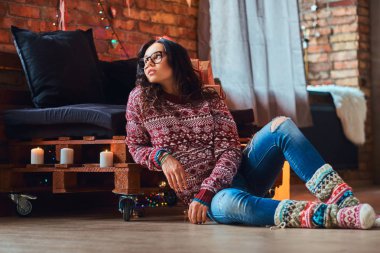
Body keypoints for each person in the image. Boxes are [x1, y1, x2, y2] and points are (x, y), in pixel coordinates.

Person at [126, 37, 378, 229]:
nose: (148, 63)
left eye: (156, 56)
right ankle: (332, 216)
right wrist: (162, 156)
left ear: (175, 58)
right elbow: (136, 146)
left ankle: (346, 204)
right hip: (215, 199)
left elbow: (229, 150)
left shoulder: (208, 98)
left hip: (237, 176)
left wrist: (208, 188)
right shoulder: (140, 100)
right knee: (237, 203)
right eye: (145, 59)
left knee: (282, 126)